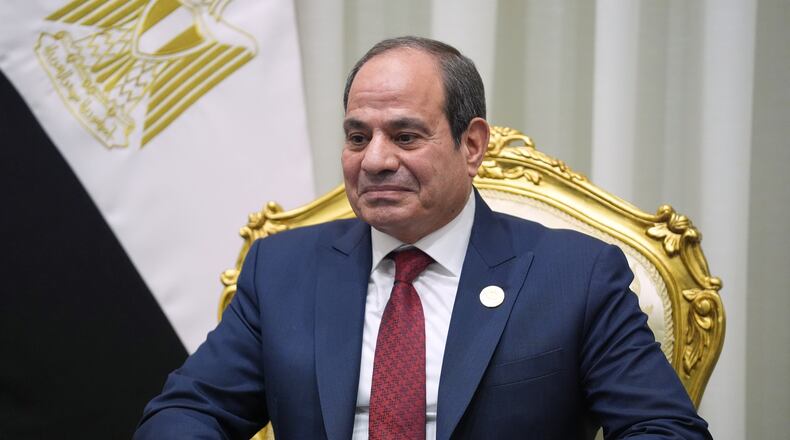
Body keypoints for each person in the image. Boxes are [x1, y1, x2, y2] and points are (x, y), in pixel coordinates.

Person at [135, 36, 711, 439]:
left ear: (472, 145)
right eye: (357, 137)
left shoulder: (574, 276)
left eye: (405, 136)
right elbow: (189, 411)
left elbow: (664, 428)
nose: (375, 160)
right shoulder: (283, 269)